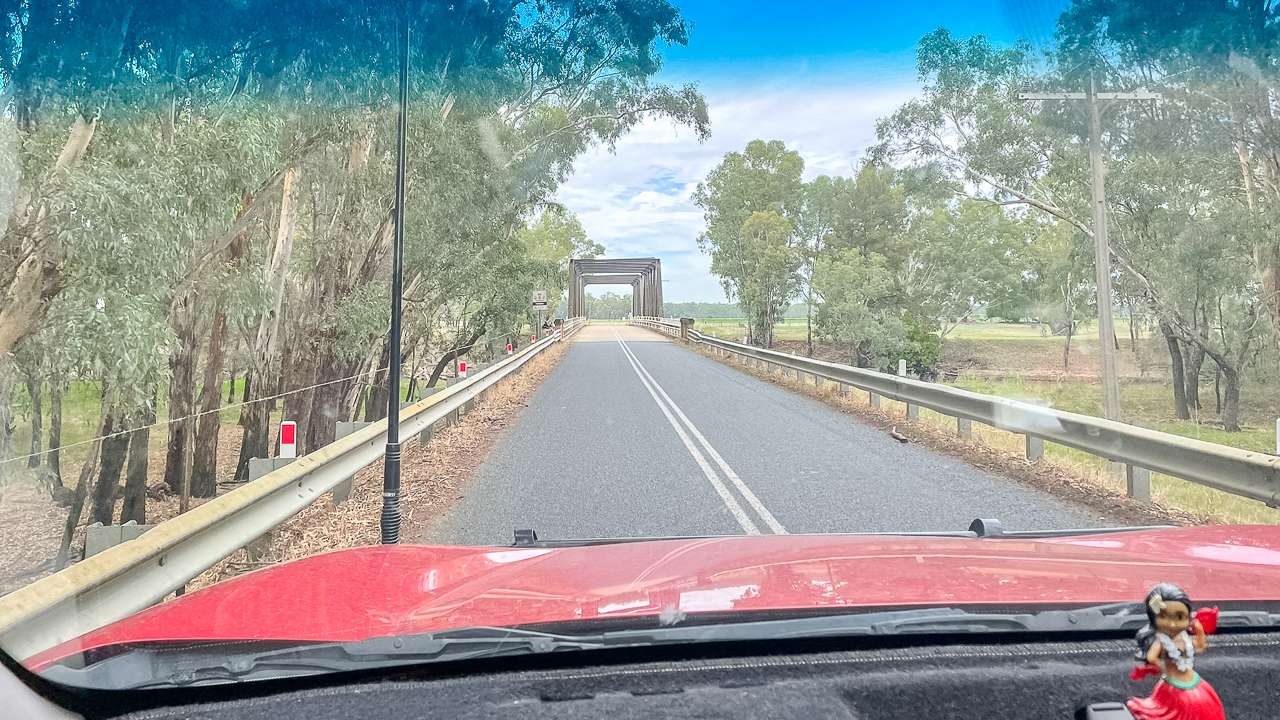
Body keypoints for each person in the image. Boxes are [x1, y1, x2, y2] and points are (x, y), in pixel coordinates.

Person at [1126, 583, 1225, 720]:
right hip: (1173, 687)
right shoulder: (1161, 641)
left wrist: (1200, 631)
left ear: (1188, 618)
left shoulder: (1184, 639)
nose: (1172, 624)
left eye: (1179, 617)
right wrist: (1163, 667)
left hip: (1195, 683)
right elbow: (1151, 657)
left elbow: (1200, 647)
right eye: (1164, 617)